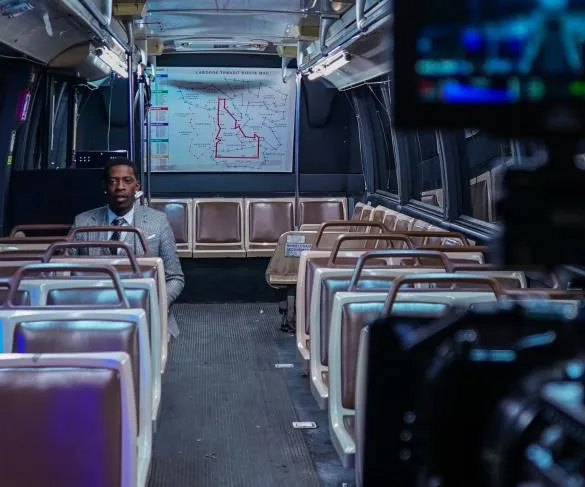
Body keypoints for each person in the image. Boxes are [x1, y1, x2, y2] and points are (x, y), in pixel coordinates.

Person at [71, 158, 185, 338]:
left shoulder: (157, 222)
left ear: (137, 187)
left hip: (146, 310)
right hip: (93, 309)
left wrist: (156, 303)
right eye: (113, 181)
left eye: (127, 181)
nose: (120, 187)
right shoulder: (83, 222)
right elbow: (64, 275)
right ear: (105, 186)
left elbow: (175, 277)